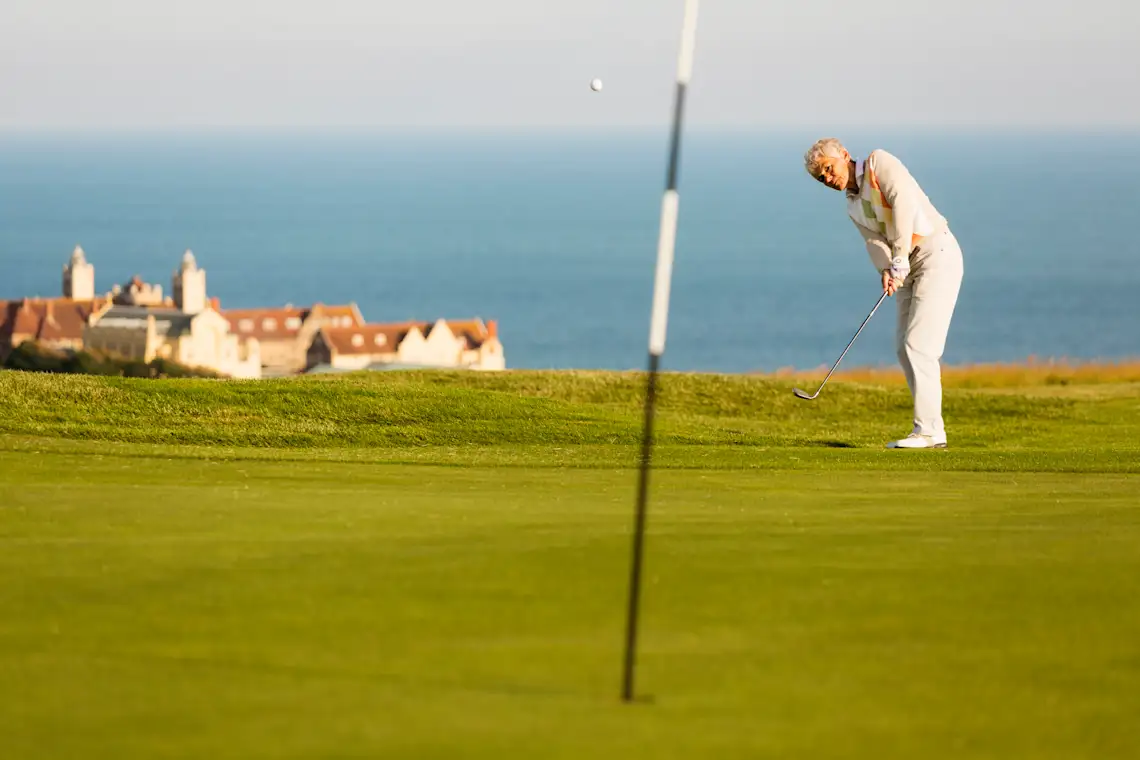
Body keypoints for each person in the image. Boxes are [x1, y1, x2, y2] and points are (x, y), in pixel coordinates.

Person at [803, 138, 964, 449]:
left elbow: (903, 203)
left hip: (936, 254)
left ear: (844, 155)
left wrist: (899, 256)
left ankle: (930, 432)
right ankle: (928, 428)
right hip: (906, 268)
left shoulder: (879, 163)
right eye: (820, 178)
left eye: (829, 169)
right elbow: (874, 242)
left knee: (920, 346)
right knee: (904, 349)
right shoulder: (852, 206)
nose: (827, 178)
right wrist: (887, 270)